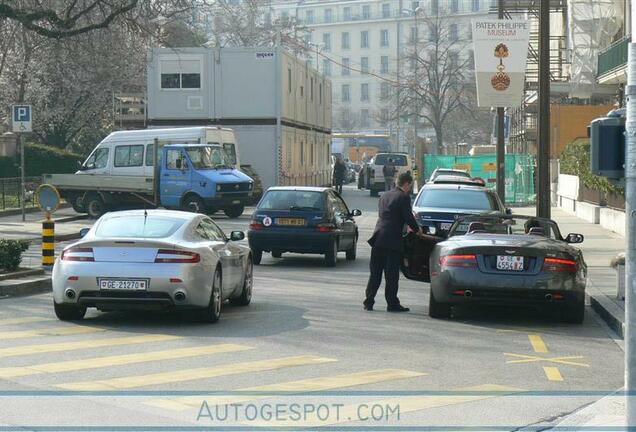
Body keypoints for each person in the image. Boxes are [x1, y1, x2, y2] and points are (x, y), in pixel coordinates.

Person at [364, 172, 433, 312]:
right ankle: (392, 304)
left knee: (375, 273)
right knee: (392, 275)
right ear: (406, 184)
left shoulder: (384, 196)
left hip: (378, 238)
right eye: (410, 185)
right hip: (392, 241)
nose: (410, 188)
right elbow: (408, 217)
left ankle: (368, 302)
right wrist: (417, 230)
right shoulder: (403, 197)